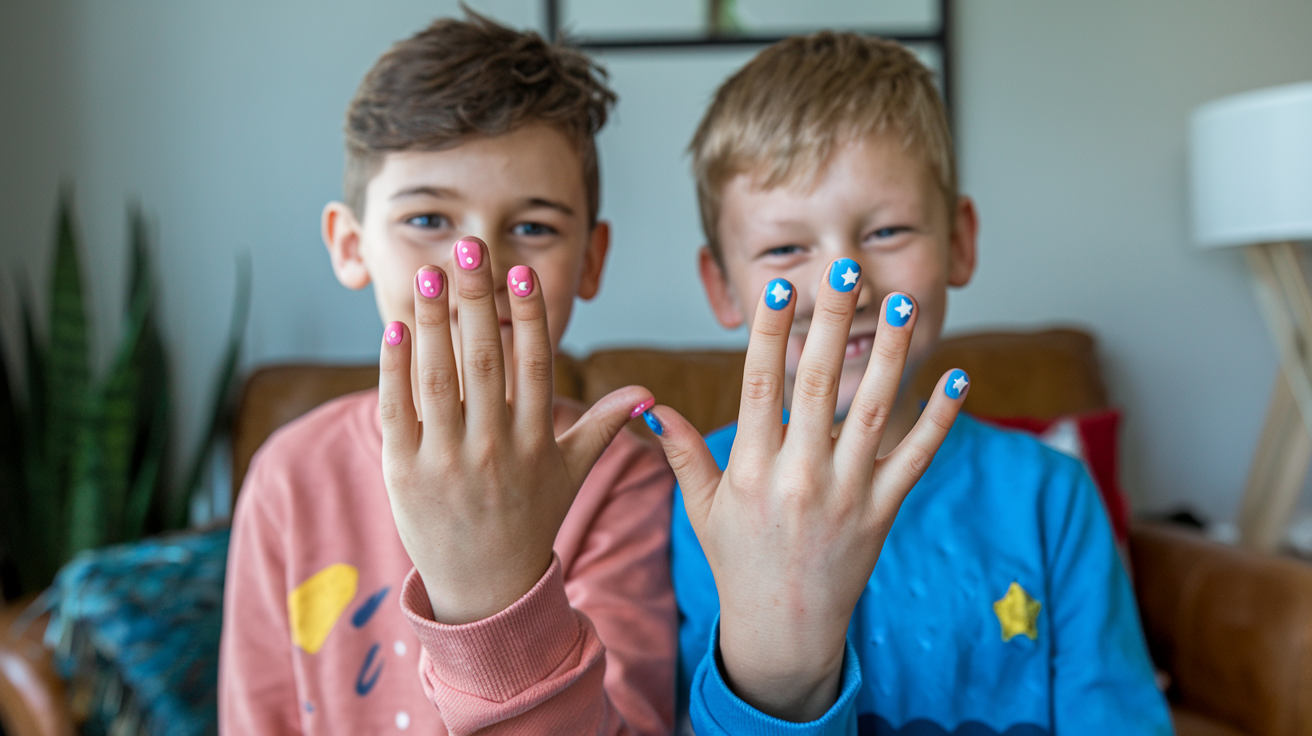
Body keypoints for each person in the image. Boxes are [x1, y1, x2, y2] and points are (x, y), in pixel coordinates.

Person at [642, 32, 1173, 735]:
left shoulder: (1051, 496)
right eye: (785, 248)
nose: (846, 283)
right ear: (722, 285)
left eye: (888, 231)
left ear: (959, 241)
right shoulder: (705, 499)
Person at [218, 14, 677, 734]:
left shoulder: (624, 482)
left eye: (532, 228)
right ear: (350, 244)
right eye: (429, 219)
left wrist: (495, 592)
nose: (479, 268)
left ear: (590, 258)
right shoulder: (289, 475)